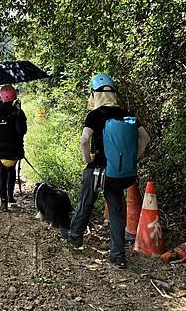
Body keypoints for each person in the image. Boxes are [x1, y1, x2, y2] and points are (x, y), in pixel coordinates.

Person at [62, 74, 150, 269]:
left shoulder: (95, 115)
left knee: (85, 202)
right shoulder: (127, 114)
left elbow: (84, 140)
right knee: (116, 211)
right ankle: (117, 255)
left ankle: (75, 236)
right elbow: (145, 138)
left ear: (95, 94)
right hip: (118, 172)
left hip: (98, 169)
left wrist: (88, 161)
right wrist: (133, 158)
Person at [0, 84, 27, 212]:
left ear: (1, 97)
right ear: (15, 97)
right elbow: (24, 131)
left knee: (1, 173)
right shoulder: (19, 113)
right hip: (15, 151)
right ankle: (11, 196)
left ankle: (3, 203)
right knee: (12, 170)